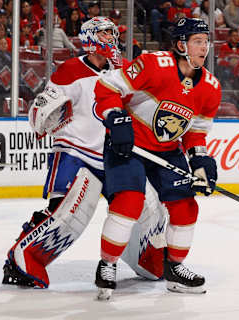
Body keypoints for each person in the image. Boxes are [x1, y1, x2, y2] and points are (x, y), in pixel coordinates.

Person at [2, 16, 167, 289]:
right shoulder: (69, 70)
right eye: (103, 34)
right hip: (76, 153)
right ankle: (22, 260)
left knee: (150, 208)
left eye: (112, 34)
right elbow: (40, 112)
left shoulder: (123, 70)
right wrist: (45, 115)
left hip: (115, 156)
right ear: (89, 39)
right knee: (65, 214)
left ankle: (148, 260)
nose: (110, 40)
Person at [92, 18, 221, 300]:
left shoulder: (210, 87)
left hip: (166, 150)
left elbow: (196, 132)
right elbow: (107, 87)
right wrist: (116, 117)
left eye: (206, 41)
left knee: (186, 206)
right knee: (129, 201)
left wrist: (200, 160)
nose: (204, 47)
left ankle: (174, 269)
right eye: (197, 41)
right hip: (129, 145)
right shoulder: (153, 64)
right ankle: (107, 264)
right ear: (180, 45)